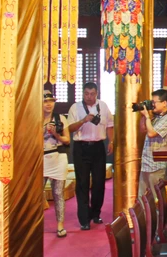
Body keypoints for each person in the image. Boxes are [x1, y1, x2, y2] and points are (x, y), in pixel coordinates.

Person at [67, 82, 114, 230]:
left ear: (97, 93)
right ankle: (84, 219)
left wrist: (111, 141)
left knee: (99, 182)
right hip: (81, 148)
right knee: (82, 183)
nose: (89, 97)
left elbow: (110, 125)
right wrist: (83, 120)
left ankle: (96, 213)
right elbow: (70, 128)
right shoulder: (75, 107)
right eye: (86, 94)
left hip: (98, 147)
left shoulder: (103, 106)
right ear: (83, 93)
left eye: (92, 94)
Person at [139, 89, 167, 199]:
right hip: (147, 162)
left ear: (164, 103)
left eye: (154, 102)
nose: (152, 105)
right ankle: (143, 217)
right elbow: (142, 130)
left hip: (157, 165)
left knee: (156, 199)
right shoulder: (157, 117)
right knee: (143, 199)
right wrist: (144, 116)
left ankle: (158, 217)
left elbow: (151, 133)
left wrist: (147, 117)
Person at [43, 90, 70, 238]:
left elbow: (67, 140)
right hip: (41, 159)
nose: (48, 104)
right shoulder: (34, 118)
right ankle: (35, 222)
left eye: (51, 101)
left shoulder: (60, 119)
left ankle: (60, 226)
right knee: (36, 194)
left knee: (58, 193)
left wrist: (55, 134)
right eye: (45, 101)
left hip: (58, 158)